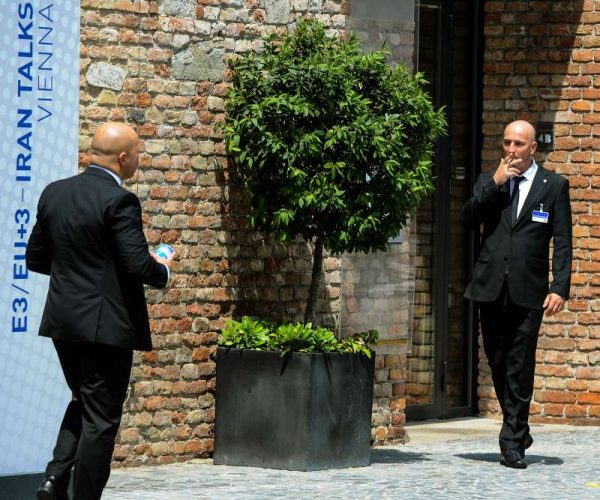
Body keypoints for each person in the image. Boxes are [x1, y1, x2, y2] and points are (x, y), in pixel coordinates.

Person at [26, 122, 175, 499]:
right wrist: (164, 266)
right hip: (106, 327)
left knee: (82, 400)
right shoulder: (120, 200)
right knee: (102, 420)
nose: (139, 159)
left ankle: (54, 478)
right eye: (138, 153)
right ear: (123, 158)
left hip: (62, 322)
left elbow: (37, 258)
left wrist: (81, 273)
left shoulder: (54, 193)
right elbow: (138, 265)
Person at [462, 120, 572, 469]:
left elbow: (564, 241)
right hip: (490, 285)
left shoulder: (553, 185)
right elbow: (467, 218)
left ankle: (511, 442)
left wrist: (560, 287)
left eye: (519, 144)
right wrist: (495, 183)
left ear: (533, 148)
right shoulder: (489, 180)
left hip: (530, 291)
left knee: (519, 366)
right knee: (496, 360)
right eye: (507, 142)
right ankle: (519, 427)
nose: (511, 150)